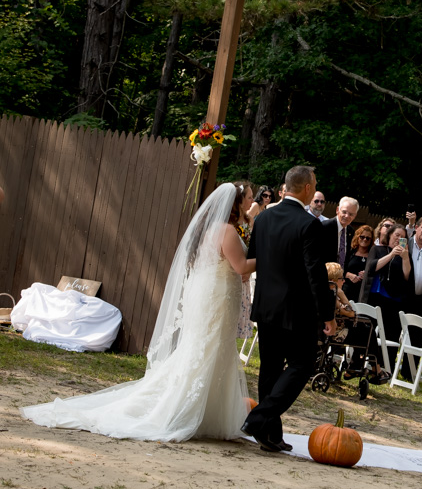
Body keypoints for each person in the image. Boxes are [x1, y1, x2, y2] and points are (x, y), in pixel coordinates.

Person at [21, 183, 256, 442]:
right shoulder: (227, 231)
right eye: (246, 199)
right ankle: (184, 409)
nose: (249, 203)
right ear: (234, 204)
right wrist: (268, 258)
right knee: (210, 346)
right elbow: (241, 266)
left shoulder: (208, 229)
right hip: (217, 298)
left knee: (205, 346)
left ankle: (206, 412)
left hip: (210, 294)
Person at [241, 166, 335, 453]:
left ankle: (270, 435)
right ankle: (258, 419)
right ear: (306, 188)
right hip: (297, 309)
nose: (315, 189)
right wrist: (328, 314)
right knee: (302, 365)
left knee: (270, 369)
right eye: (314, 185)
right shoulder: (309, 224)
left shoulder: (263, 218)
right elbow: (316, 274)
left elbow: (254, 258)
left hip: (266, 305)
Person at [369, 223, 411, 370]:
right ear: (389, 235)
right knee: (370, 332)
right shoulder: (377, 249)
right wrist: (391, 254)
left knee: (391, 334)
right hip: (376, 296)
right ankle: (371, 363)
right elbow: (372, 267)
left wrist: (405, 258)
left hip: (394, 299)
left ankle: (387, 367)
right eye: (396, 235)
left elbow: (407, 276)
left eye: (403, 237)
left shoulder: (405, 255)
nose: (399, 239)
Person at [234, 181, 256, 340]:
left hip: (244, 276)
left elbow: (253, 248)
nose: (252, 201)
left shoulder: (250, 221)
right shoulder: (229, 223)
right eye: (249, 197)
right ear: (240, 200)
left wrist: (248, 270)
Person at [322, 196, 359, 269]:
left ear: (355, 216)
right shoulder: (324, 227)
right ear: (337, 210)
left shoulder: (351, 231)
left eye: (351, 214)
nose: (347, 216)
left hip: (341, 274)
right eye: (344, 212)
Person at [344, 224, 374, 302]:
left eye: (368, 238)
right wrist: (349, 275)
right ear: (357, 237)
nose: (365, 239)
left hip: (363, 293)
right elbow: (340, 268)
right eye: (362, 237)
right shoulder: (349, 252)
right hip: (347, 290)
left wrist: (367, 274)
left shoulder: (373, 256)